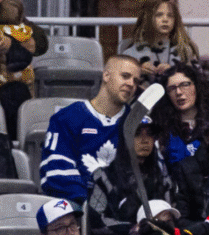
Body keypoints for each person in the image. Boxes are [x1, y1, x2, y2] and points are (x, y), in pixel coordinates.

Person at [40, 55, 141, 204]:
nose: (131, 84)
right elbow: (56, 171)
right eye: (125, 76)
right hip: (77, 210)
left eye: (136, 81)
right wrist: (90, 205)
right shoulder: (67, 117)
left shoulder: (137, 123)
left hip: (125, 212)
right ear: (106, 75)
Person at [87, 114, 176, 235]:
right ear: (125, 138)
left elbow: (171, 217)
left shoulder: (163, 177)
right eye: (137, 134)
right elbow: (97, 221)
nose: (145, 140)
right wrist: (134, 229)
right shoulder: (104, 176)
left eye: (150, 134)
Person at [121, 0, 200, 89]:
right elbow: (121, 82)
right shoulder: (131, 53)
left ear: (176, 20)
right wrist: (137, 70)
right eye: (159, 15)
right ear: (147, 18)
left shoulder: (185, 50)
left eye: (170, 16)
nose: (165, 20)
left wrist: (174, 71)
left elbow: (198, 80)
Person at [154, 62, 209, 166]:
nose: (178, 92)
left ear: (196, 85)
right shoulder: (161, 127)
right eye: (172, 88)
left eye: (184, 85)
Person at [0, 0, 37, 105]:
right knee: (30, 88)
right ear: (21, 15)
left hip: (7, 74)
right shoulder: (26, 30)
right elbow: (32, 48)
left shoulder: (0, 31)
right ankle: (31, 105)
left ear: (2, 14)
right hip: (27, 73)